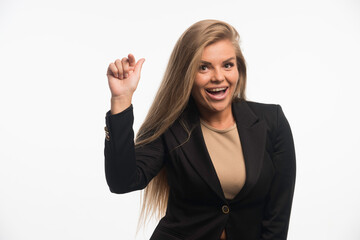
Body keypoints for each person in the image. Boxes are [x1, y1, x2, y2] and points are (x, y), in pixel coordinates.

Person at [104, 19, 296, 240]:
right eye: (203, 67)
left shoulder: (272, 122)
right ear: (186, 74)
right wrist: (121, 100)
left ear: (238, 69)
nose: (218, 77)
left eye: (227, 65)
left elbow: (277, 217)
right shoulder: (170, 126)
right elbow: (122, 181)